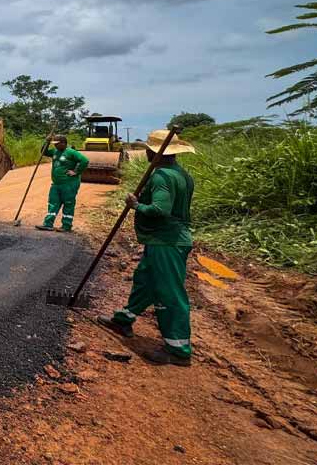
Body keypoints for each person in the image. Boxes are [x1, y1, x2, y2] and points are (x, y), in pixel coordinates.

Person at [100, 129, 196, 367]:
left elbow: (160, 210)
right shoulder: (181, 174)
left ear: (153, 151)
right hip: (165, 240)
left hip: (167, 241)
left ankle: (178, 349)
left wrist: (136, 205)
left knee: (169, 292)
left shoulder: (161, 175)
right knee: (145, 280)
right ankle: (124, 319)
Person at [35, 134, 88, 232]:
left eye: (57, 144)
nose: (55, 146)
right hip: (56, 184)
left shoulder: (71, 152)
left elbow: (84, 161)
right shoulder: (55, 151)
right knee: (53, 202)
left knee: (68, 203)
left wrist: (76, 172)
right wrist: (46, 142)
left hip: (69, 183)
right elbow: (43, 152)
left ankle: (66, 226)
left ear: (64, 143)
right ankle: (48, 224)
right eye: (54, 144)